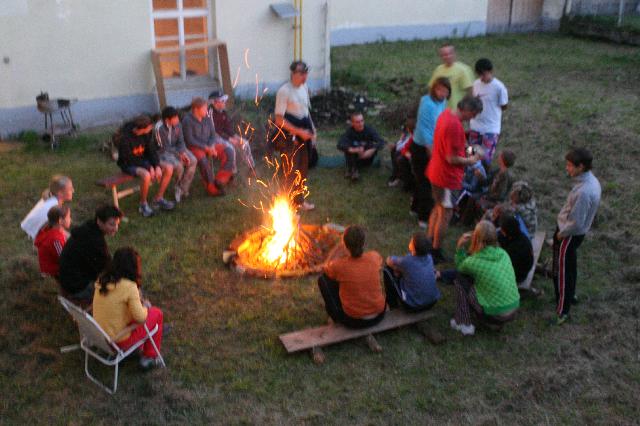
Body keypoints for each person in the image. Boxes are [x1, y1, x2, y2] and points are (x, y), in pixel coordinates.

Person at [426, 95, 484, 263]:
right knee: (445, 213)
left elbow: (461, 146)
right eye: (473, 114)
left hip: (436, 171)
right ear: (466, 109)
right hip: (446, 178)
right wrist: (472, 160)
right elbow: (452, 158)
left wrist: (472, 152)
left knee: (438, 208)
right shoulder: (454, 126)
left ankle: (429, 239)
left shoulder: (446, 115)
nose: (472, 118)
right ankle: (435, 249)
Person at [551, 148, 601, 325]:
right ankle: (569, 295)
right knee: (570, 265)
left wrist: (560, 234)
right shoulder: (590, 181)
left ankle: (562, 310)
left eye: (570, 166)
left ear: (581, 167)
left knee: (563, 271)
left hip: (568, 235)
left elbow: (577, 223)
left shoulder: (584, 192)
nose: (567, 169)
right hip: (571, 233)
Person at [93, 247, 164, 370]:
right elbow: (141, 318)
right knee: (156, 314)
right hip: (118, 340)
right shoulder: (129, 287)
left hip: (100, 335)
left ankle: (143, 351)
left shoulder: (102, 280)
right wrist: (146, 307)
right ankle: (149, 357)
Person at [451, 221, 520, 336]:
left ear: (476, 238)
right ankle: (495, 320)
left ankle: (463, 322)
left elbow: (460, 267)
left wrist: (459, 247)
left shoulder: (474, 261)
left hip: (495, 314)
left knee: (460, 279)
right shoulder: (503, 253)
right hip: (513, 309)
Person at [318, 225, 386, 328]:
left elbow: (325, 267)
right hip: (379, 315)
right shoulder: (374, 257)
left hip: (354, 320)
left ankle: (334, 317)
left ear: (345, 245)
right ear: (364, 243)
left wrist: (337, 250)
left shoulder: (339, 266)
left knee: (323, 279)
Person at [273, 61, 316, 211]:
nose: (305, 77)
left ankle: (298, 201)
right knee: (290, 172)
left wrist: (313, 130)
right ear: (293, 74)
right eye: (301, 74)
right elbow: (279, 119)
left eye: (306, 73)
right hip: (289, 138)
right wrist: (299, 132)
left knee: (302, 169)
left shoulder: (304, 88)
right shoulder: (284, 91)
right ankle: (284, 205)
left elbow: (306, 111)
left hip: (304, 134)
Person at [58, 204, 123, 302]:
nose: (116, 228)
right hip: (76, 287)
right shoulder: (95, 242)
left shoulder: (88, 227)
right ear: (100, 221)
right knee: (119, 290)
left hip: (66, 278)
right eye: (112, 224)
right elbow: (107, 269)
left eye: (117, 224)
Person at [411, 77, 451, 228]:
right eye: (440, 90)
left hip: (432, 145)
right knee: (426, 182)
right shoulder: (427, 104)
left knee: (421, 181)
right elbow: (424, 130)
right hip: (422, 148)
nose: (443, 94)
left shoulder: (442, 102)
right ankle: (423, 217)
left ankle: (414, 208)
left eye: (446, 92)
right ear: (434, 89)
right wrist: (432, 153)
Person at [118, 115, 175, 217]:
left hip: (144, 161)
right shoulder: (124, 138)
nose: (150, 130)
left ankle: (158, 198)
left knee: (169, 168)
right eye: (148, 128)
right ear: (140, 129)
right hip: (128, 163)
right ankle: (143, 204)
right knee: (146, 175)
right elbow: (129, 158)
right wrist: (149, 167)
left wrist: (156, 165)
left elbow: (151, 151)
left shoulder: (146, 134)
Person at [182, 97, 235, 196]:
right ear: (196, 109)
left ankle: (220, 181)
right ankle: (212, 189)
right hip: (194, 147)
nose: (207, 110)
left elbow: (213, 134)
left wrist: (210, 146)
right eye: (204, 108)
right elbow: (190, 140)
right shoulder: (187, 121)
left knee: (228, 151)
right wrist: (206, 148)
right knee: (203, 162)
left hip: (209, 145)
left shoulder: (207, 118)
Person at [384, 233, 441, 311]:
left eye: (411, 241)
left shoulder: (408, 261)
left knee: (387, 270)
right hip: (432, 302)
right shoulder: (429, 257)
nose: (410, 241)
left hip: (412, 306)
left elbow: (389, 261)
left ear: (413, 248)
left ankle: (392, 304)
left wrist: (395, 268)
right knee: (404, 270)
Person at [468, 58, 509, 166]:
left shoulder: (499, 87)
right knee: (470, 155)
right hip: (474, 127)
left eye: (483, 74)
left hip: (490, 129)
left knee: (485, 159)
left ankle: (483, 179)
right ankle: (471, 180)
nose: (481, 77)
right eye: (479, 75)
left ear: (491, 71)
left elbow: (504, 106)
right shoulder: (476, 84)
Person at [153, 106, 197, 203]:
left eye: (177, 117)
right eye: (175, 118)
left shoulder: (178, 125)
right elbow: (164, 147)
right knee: (179, 165)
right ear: (167, 120)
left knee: (193, 160)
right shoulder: (159, 128)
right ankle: (177, 185)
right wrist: (179, 154)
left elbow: (181, 141)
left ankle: (182, 188)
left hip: (177, 149)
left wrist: (182, 152)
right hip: (163, 152)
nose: (177, 119)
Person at [208, 89, 255, 173]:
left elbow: (228, 128)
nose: (224, 102)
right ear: (215, 102)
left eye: (224, 100)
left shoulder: (223, 112)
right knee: (230, 147)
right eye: (222, 100)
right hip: (212, 138)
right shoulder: (210, 113)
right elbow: (214, 131)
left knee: (244, 143)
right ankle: (232, 174)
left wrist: (236, 137)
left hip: (223, 136)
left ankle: (251, 168)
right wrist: (230, 140)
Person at [20, 175, 74, 240]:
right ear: (60, 193)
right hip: (36, 235)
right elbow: (58, 230)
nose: (73, 191)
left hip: (30, 228)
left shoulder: (51, 196)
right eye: (70, 189)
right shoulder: (53, 208)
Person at [337, 112, 386, 181]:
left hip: (367, 158)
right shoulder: (349, 131)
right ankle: (353, 171)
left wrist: (372, 150)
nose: (360, 124)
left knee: (367, 147)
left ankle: (351, 170)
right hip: (353, 157)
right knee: (349, 149)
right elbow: (340, 144)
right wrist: (352, 149)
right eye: (357, 122)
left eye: (362, 121)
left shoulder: (369, 130)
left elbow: (382, 142)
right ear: (352, 123)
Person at [428, 43, 474, 110]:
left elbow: (470, 91)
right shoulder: (438, 69)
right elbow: (431, 88)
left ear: (454, 54)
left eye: (449, 54)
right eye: (444, 55)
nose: (447, 56)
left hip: (457, 111)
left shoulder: (463, 69)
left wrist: (463, 108)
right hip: (440, 110)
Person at [34, 205, 71, 279]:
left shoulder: (49, 231)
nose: (70, 219)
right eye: (68, 217)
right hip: (54, 275)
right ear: (60, 220)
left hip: (54, 272)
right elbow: (64, 260)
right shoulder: (56, 239)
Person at [498, 213, 534, 286]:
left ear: (507, 231)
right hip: (519, 267)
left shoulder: (517, 248)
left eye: (502, 230)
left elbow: (503, 264)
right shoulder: (519, 235)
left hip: (519, 275)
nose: (501, 231)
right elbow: (501, 236)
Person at [387, 117, 415, 191]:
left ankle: (406, 183)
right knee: (395, 151)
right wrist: (397, 144)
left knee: (399, 156)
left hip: (417, 155)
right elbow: (404, 146)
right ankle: (397, 176)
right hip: (409, 152)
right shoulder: (409, 134)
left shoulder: (417, 136)